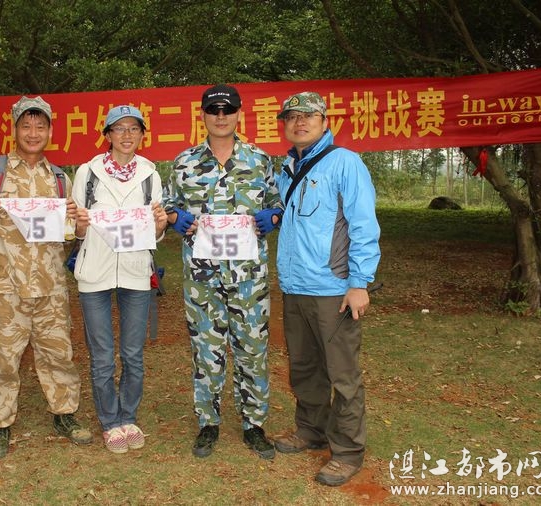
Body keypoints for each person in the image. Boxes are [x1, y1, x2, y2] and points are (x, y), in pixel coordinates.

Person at [0, 95, 93, 459]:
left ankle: (64, 414)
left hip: (50, 286)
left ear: (50, 131)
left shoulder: (59, 178)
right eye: (26, 125)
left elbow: (68, 236)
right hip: (3, 287)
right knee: (1, 359)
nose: (33, 133)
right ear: (14, 129)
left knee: (58, 355)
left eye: (40, 126)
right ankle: (0, 424)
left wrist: (77, 224)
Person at [164, 84, 283, 460]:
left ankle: (254, 424)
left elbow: (277, 201)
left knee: (252, 350)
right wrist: (175, 217)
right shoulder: (184, 163)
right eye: (213, 110)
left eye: (227, 110)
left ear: (238, 114)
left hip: (249, 278)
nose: (220, 116)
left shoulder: (259, 161)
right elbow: (167, 204)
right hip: (202, 278)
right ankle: (208, 423)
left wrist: (272, 216)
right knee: (206, 350)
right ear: (202, 115)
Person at [271, 91, 381, 486]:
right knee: (304, 367)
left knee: (342, 373)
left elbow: (363, 224)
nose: (299, 122)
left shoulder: (345, 163)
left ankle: (348, 451)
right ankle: (311, 430)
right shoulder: (287, 168)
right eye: (292, 117)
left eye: (308, 116)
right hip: (295, 286)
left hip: (333, 288)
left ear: (324, 121)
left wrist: (359, 282)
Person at [71, 105, 167, 454]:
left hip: (136, 272)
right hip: (94, 272)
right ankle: (110, 422)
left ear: (142, 135)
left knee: (133, 353)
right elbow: (75, 230)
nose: (127, 135)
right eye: (119, 128)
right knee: (102, 356)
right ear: (108, 135)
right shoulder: (88, 173)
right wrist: (80, 226)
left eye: (133, 129)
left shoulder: (151, 175)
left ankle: (128, 416)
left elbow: (154, 233)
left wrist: (160, 226)